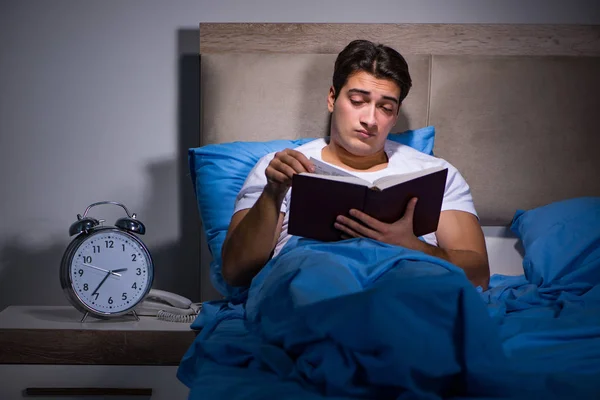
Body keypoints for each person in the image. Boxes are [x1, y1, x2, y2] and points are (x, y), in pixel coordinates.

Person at [221, 40, 490, 290]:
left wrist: (413, 247)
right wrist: (273, 193)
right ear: (332, 98)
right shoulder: (281, 168)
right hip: (311, 288)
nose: (370, 119)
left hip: (404, 289)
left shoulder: (436, 174)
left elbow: (480, 275)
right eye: (358, 101)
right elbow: (235, 272)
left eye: (385, 107)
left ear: (395, 116)